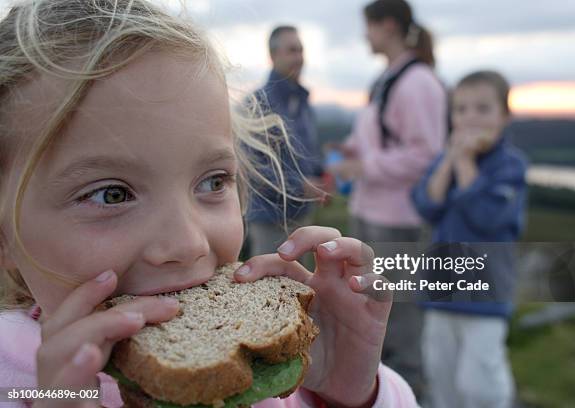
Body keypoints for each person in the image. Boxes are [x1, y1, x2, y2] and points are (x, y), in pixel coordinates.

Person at [0, 1, 420, 407]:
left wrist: (347, 391)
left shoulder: (266, 374)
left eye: (214, 181)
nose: (188, 244)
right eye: (112, 194)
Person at [326, 0, 446, 400]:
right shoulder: (388, 79)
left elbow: (426, 154)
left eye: (369, 27)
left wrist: (364, 167)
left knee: (402, 322)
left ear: (389, 26)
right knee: (375, 316)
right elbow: (383, 144)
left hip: (398, 217)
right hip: (373, 212)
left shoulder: (419, 82)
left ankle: (412, 395)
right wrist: (351, 153)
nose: (365, 35)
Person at [412, 70, 528, 408]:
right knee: (441, 374)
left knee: (479, 381)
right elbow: (426, 204)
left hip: (486, 295)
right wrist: (449, 159)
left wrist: (463, 161)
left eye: (482, 109)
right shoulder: (444, 161)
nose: (470, 118)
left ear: (504, 116)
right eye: (461, 110)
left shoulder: (511, 167)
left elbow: (487, 217)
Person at [246, 25, 327, 257]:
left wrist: (322, 172)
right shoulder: (258, 104)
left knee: (303, 289)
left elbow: (306, 154)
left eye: (301, 50)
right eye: (292, 50)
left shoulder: (303, 101)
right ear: (273, 56)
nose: (299, 57)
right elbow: (253, 168)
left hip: (303, 216)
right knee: (271, 288)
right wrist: (300, 186)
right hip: (270, 221)